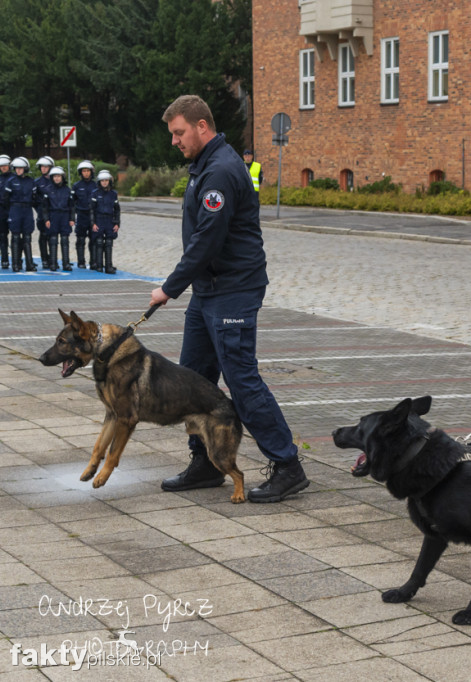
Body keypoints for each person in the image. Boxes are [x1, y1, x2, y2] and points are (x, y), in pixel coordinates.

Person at [151, 94, 308, 504]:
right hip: (209, 290)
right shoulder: (205, 165)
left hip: (233, 290)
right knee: (193, 380)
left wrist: (169, 287)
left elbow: (207, 240)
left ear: (202, 126)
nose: (175, 141)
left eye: (179, 132)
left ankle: (288, 465)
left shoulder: (220, 170)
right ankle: (205, 463)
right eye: (173, 134)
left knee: (241, 380)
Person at [3, 157, 36, 272]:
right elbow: (5, 199)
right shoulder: (11, 181)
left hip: (27, 210)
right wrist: (12, 210)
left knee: (27, 237)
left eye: (20, 168)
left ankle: (29, 264)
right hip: (15, 209)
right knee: (15, 237)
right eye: (16, 168)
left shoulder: (31, 181)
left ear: (25, 169)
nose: (18, 170)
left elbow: (34, 198)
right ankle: (16, 264)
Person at [39, 166, 74, 271]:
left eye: (58, 176)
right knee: (53, 240)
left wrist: (72, 218)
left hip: (64, 216)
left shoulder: (68, 190)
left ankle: (66, 263)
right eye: (54, 176)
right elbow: (44, 207)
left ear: (62, 177)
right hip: (53, 216)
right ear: (52, 178)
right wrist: (46, 219)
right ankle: (53, 263)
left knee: (65, 240)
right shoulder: (48, 190)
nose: (57, 178)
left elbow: (72, 206)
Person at [89, 170, 119, 274]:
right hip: (99, 219)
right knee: (99, 242)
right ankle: (98, 265)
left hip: (109, 220)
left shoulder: (113, 194)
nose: (105, 183)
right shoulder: (95, 193)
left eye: (106, 180)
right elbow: (92, 209)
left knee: (109, 243)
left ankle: (108, 266)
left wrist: (117, 223)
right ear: (99, 182)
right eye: (102, 181)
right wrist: (93, 223)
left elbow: (117, 209)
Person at [72, 161, 98, 269]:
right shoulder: (77, 186)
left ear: (91, 172)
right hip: (81, 215)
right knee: (80, 240)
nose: (86, 173)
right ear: (81, 173)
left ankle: (93, 262)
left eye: (88, 171)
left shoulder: (96, 185)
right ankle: (81, 261)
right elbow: (72, 203)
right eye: (84, 171)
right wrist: (72, 217)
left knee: (94, 240)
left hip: (93, 216)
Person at [33, 156, 54, 268]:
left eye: (46, 167)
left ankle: (52, 258)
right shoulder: (36, 182)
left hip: (54, 213)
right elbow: (34, 200)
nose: (44, 169)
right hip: (42, 213)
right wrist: (40, 210)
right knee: (43, 236)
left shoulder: (55, 179)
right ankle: (44, 259)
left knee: (53, 236)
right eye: (42, 167)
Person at [0, 155, 10, 269]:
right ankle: (4, 260)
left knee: (17, 236)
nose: (3, 167)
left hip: (13, 209)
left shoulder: (14, 178)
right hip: (1, 211)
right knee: (2, 236)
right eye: (1, 166)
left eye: (5, 165)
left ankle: (18, 259)